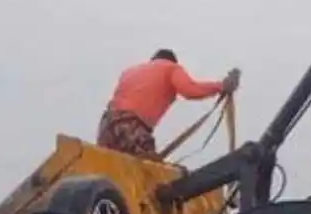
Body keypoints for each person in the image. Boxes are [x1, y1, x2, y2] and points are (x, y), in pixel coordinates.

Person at [97, 49, 240, 159]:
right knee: (150, 174)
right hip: (131, 125)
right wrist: (222, 86)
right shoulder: (171, 68)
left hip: (107, 126)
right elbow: (190, 90)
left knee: (112, 170)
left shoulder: (129, 72)